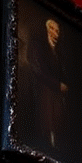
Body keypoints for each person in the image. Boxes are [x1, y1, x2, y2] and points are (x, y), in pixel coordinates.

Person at [25, 16, 68, 155]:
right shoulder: (37, 45)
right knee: (46, 122)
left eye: (57, 31)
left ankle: (55, 146)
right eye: (51, 29)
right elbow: (39, 71)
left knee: (57, 123)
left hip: (54, 96)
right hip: (41, 92)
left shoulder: (58, 52)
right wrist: (57, 85)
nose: (54, 33)